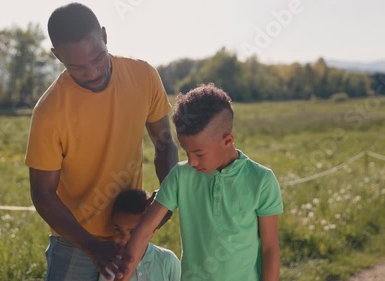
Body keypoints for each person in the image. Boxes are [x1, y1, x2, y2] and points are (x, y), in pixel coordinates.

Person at [24, 3, 178, 281]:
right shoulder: (49, 112)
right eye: (78, 67)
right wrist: (92, 246)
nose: (93, 72)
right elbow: (42, 193)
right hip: (74, 242)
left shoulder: (143, 76)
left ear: (105, 36)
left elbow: (165, 143)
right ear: (57, 56)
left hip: (129, 233)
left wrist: (166, 199)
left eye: (97, 58)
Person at [122, 84, 284, 281]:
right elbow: (144, 231)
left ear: (228, 141)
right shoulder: (180, 176)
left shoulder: (261, 180)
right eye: (186, 151)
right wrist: (124, 275)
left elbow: (270, 249)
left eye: (199, 153)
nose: (191, 161)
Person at [99, 189, 180, 281]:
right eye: (118, 230)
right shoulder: (110, 267)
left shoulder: (167, 260)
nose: (124, 239)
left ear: (150, 230)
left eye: (133, 232)